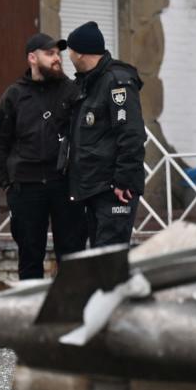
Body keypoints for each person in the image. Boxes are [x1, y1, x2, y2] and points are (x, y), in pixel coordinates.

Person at [0, 33, 87, 279]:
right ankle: (31, 312)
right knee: (30, 256)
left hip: (65, 185)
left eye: (58, 54)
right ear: (32, 58)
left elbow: (86, 136)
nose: (56, 58)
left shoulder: (72, 92)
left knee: (72, 255)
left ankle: (71, 312)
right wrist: (8, 183)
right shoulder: (14, 95)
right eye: (50, 53)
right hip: (26, 187)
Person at [63, 21, 146, 247]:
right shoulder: (88, 83)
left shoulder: (116, 83)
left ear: (79, 53)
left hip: (114, 190)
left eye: (69, 50)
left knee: (110, 257)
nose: (68, 55)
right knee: (99, 257)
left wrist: (124, 181)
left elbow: (131, 134)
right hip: (93, 188)